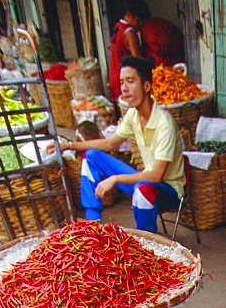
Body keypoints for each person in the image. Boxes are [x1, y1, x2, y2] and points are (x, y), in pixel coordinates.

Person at [57, 56, 185, 233]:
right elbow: (110, 143)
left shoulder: (165, 125)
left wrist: (115, 178)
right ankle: (92, 220)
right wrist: (69, 145)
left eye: (130, 81)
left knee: (142, 191)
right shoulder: (133, 115)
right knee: (92, 156)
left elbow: (156, 176)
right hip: (144, 180)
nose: (124, 88)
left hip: (168, 191)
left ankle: (146, 246)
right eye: (122, 82)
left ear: (146, 86)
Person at [108, 0, 148, 101]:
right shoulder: (130, 32)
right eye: (138, 20)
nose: (141, 25)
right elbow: (138, 61)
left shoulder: (117, 26)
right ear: (129, 15)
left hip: (114, 77)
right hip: (126, 80)